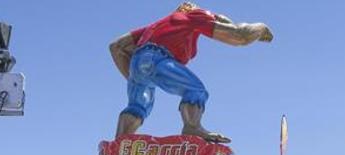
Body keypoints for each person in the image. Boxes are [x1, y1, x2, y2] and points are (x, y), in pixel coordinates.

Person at [109, 2, 274, 143]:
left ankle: (120, 142)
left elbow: (116, 46)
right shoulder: (193, 16)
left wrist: (134, 78)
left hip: (138, 62)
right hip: (158, 58)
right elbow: (239, 35)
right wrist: (261, 28)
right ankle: (192, 127)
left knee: (137, 106)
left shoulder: (155, 26)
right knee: (195, 90)